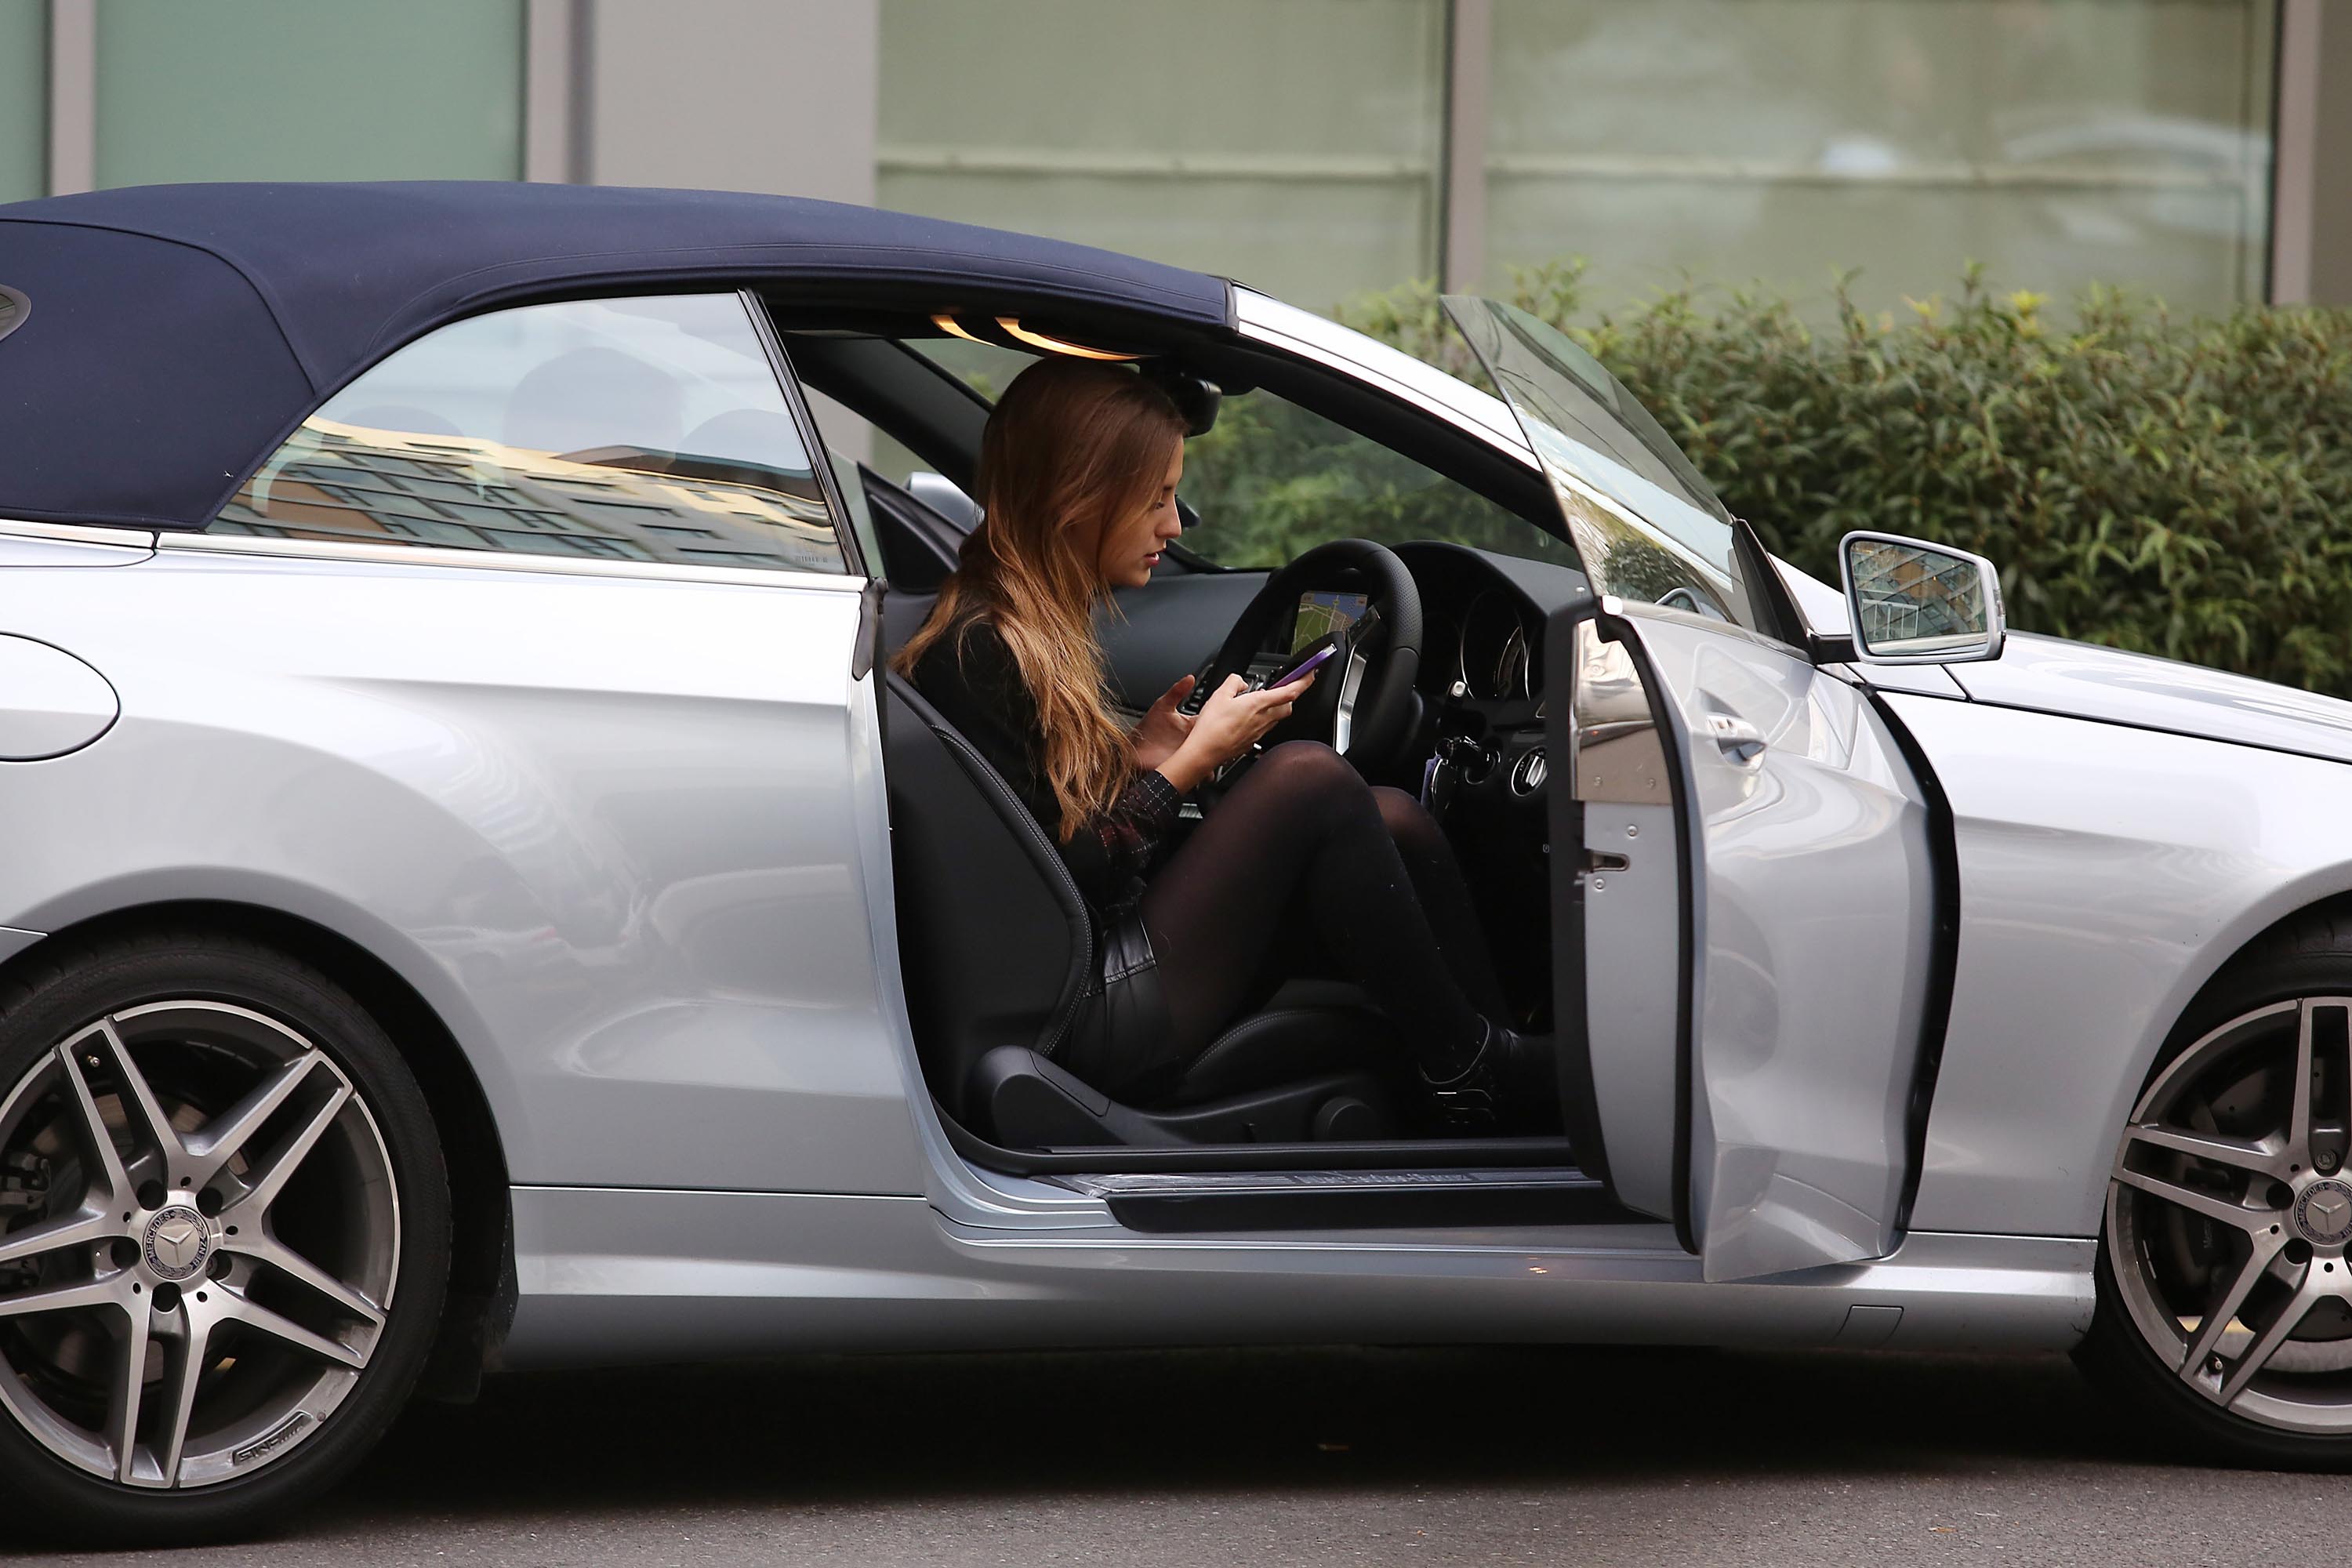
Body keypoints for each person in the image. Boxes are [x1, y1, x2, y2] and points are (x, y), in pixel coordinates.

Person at [896, 355, 1541, 1128]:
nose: (1174, 525)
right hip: (1079, 1010)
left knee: (1395, 817)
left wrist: (1139, 756)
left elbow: (1037, 827)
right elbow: (1066, 880)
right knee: (1307, 776)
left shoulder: (1016, 625)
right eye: (1157, 499)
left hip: (1090, 951)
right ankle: (1469, 1067)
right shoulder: (981, 652)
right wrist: (1194, 761)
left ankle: (1495, 1063)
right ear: (1078, 500)